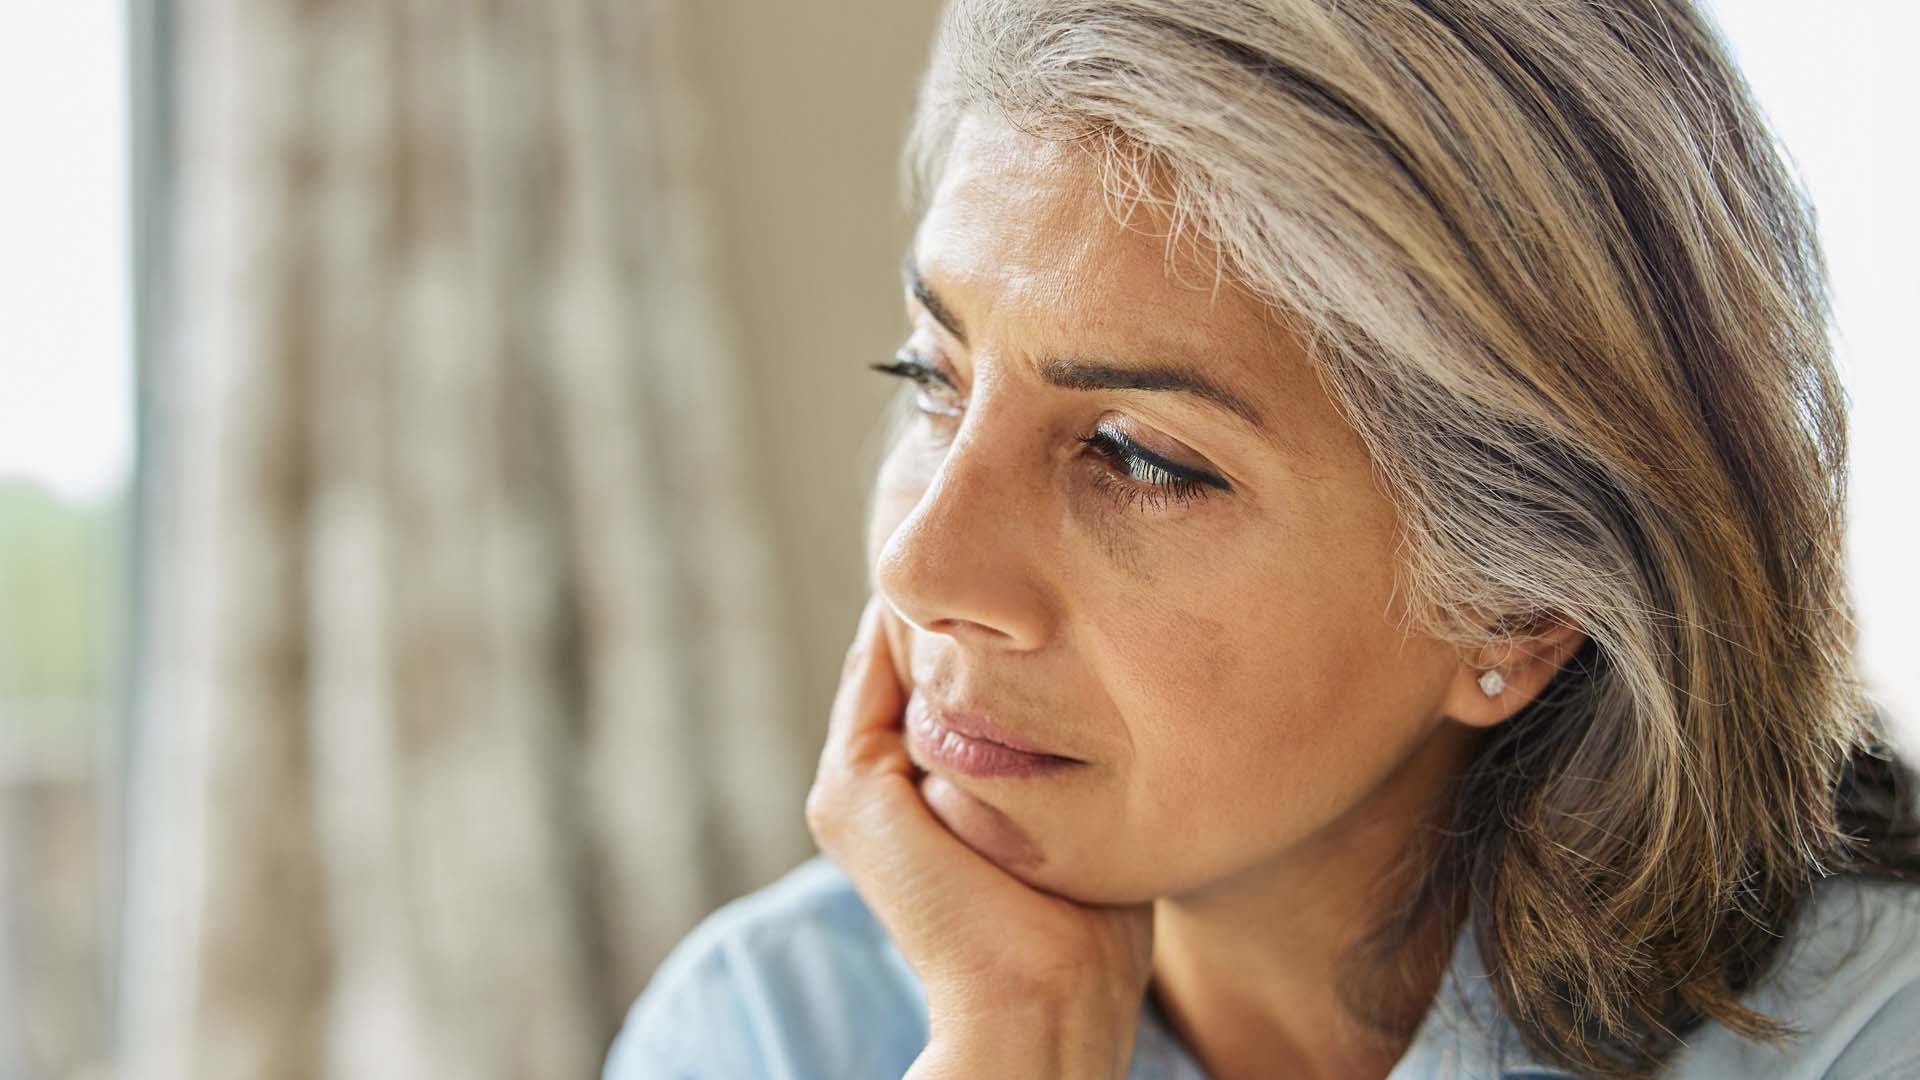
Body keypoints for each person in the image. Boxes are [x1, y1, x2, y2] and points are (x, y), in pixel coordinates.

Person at [604, 1, 1920, 1076]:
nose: (919, 569)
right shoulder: (765, 1030)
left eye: (1139, 457)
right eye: (931, 379)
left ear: (1515, 609)